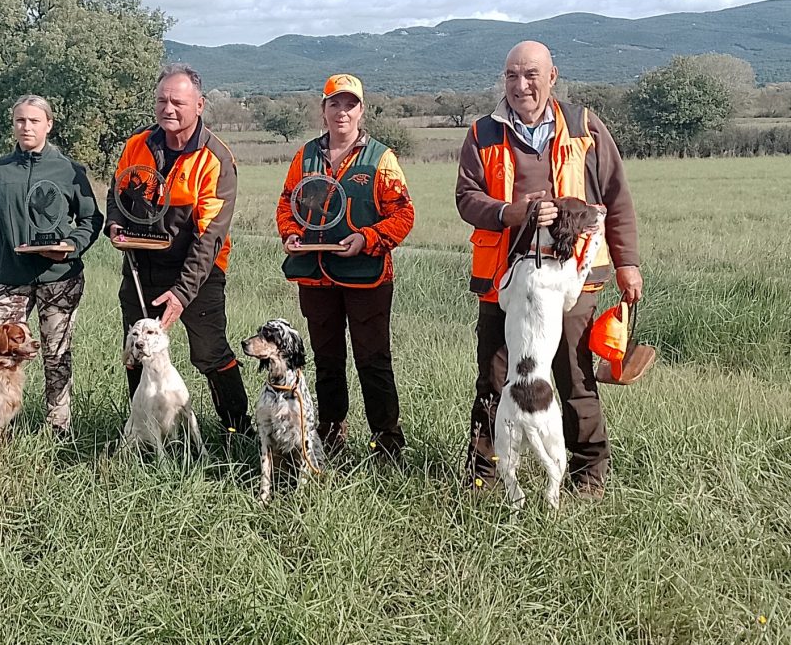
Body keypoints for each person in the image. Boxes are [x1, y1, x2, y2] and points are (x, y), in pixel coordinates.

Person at [455, 41, 643, 499]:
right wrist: (510, 213)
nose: (521, 86)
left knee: (575, 377)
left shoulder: (584, 127)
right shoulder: (483, 133)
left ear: (552, 76)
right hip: (505, 280)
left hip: (576, 280)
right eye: (512, 76)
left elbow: (615, 198)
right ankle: (486, 475)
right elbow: (466, 198)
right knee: (495, 378)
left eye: (531, 75)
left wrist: (628, 263)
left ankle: (588, 476)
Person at [275, 74, 415, 460]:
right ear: (323, 110)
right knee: (327, 360)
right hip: (315, 275)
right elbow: (287, 201)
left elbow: (403, 215)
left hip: (367, 277)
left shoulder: (381, 159)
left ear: (361, 110)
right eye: (334, 103)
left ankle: (387, 441)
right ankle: (331, 433)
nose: (342, 111)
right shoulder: (305, 156)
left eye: (349, 104)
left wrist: (367, 239)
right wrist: (289, 233)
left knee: (373, 361)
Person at [105, 63, 250, 436]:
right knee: (138, 349)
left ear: (199, 105)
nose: (168, 108)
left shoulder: (215, 158)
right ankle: (144, 431)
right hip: (142, 267)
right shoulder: (137, 144)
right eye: (162, 100)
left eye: (178, 102)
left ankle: (236, 430)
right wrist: (115, 222)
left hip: (198, 272)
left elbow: (210, 237)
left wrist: (182, 294)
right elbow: (116, 193)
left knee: (209, 352)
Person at [0, 94, 103, 433]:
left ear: (49, 124)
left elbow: (92, 219)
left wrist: (71, 248)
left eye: (34, 121)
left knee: (55, 355)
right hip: (9, 278)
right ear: (13, 124)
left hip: (59, 279)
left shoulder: (69, 171)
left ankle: (58, 428)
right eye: (21, 120)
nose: (26, 126)